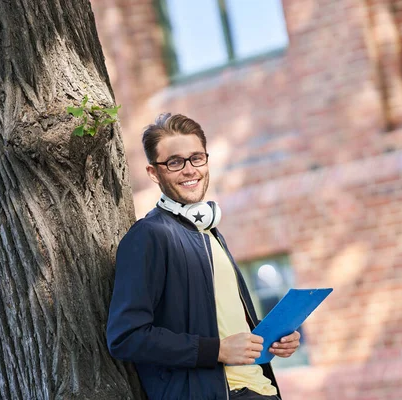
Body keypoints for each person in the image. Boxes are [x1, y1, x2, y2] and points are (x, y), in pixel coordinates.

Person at [107, 113, 301, 400]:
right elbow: (126, 337)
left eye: (197, 158)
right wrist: (218, 350)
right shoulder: (149, 236)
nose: (189, 169)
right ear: (153, 173)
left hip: (261, 390)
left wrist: (273, 339)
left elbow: (220, 321)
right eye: (175, 162)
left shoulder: (210, 233)